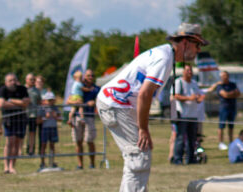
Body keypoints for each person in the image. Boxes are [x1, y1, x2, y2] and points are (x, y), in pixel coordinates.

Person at [98, 22, 206, 192]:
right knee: (139, 155)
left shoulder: (164, 55)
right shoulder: (164, 58)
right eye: (197, 44)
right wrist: (143, 129)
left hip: (117, 103)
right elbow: (144, 94)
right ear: (185, 42)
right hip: (116, 104)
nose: (199, 50)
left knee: (138, 156)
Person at [0, 72, 31, 175]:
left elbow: (26, 103)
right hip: (9, 119)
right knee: (9, 142)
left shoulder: (22, 89)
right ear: (6, 82)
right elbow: (2, 104)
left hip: (20, 119)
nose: (13, 82)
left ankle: (12, 166)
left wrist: (11, 100)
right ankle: (6, 166)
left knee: (17, 142)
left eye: (14, 80)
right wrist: (19, 104)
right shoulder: (3, 89)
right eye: (10, 80)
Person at [172, 64, 204, 165]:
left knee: (192, 139)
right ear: (183, 72)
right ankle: (177, 159)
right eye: (187, 70)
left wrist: (199, 99)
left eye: (190, 70)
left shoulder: (194, 83)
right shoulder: (179, 82)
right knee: (181, 138)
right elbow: (175, 95)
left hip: (193, 114)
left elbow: (199, 95)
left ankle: (191, 159)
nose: (189, 72)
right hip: (182, 114)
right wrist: (189, 98)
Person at [69, 68, 99, 169]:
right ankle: (80, 164)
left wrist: (94, 103)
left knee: (89, 140)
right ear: (84, 77)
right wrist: (78, 103)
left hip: (89, 117)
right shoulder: (78, 86)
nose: (90, 77)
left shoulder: (96, 88)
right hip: (77, 117)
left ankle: (92, 164)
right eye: (88, 75)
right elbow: (69, 100)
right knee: (78, 141)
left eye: (92, 75)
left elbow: (100, 100)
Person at [204, 70, 240, 150]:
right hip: (224, 107)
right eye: (223, 76)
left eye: (226, 75)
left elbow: (238, 93)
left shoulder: (233, 84)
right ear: (221, 77)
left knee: (231, 126)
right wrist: (232, 93)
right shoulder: (220, 85)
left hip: (232, 107)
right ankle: (221, 143)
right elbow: (225, 95)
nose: (225, 77)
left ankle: (231, 142)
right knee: (221, 126)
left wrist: (230, 94)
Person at [39, 91, 59, 169]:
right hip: (45, 128)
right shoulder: (42, 108)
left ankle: (51, 161)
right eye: (49, 100)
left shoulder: (55, 107)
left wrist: (55, 116)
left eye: (51, 100)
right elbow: (38, 121)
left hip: (53, 128)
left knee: (52, 145)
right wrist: (45, 117)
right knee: (43, 145)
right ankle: (42, 162)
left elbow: (60, 118)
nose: (50, 102)